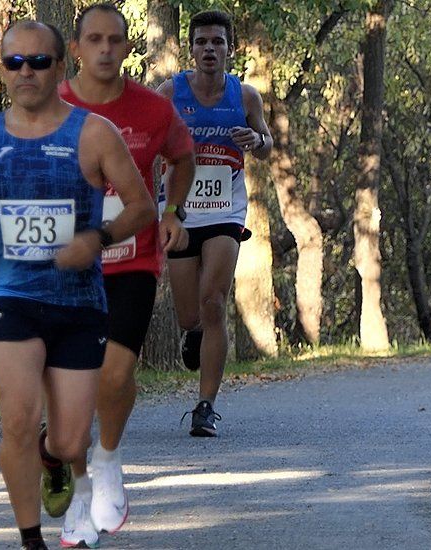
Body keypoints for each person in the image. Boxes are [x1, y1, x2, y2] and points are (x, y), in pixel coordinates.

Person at [0, 20, 155, 550]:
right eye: (14, 62)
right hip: (10, 297)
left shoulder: (93, 133)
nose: (25, 72)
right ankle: (31, 538)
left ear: (60, 68)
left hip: (78, 302)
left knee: (70, 436)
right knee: (17, 419)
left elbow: (142, 207)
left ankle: (54, 457)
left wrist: (96, 238)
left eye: (38, 62)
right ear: (3, 71)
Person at [56, 4, 195, 547]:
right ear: (76, 49)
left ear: (127, 47)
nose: (106, 49)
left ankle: (107, 458)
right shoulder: (52, 105)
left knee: (113, 376)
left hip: (131, 260)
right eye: (94, 40)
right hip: (64, 265)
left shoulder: (152, 110)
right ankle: (80, 490)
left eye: (116, 40)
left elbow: (182, 159)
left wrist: (172, 212)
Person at [157, 10, 272, 438]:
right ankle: (195, 334)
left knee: (214, 301)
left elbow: (266, 143)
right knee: (190, 314)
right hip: (181, 211)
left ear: (229, 48)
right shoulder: (171, 92)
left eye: (217, 42)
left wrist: (255, 140)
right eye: (202, 42)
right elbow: (147, 138)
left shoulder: (245, 97)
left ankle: (206, 406)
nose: (209, 49)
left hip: (226, 209)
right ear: (192, 49)